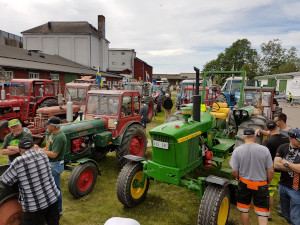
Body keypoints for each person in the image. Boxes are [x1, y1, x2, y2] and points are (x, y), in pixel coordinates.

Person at [2, 137, 60, 225]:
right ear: (33, 146)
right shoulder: (43, 155)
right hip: (53, 197)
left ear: (20, 150)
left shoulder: (18, 161)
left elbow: (6, 180)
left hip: (35, 205)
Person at [230, 128, 274, 225]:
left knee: (244, 209)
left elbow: (234, 170)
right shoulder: (265, 150)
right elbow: (271, 171)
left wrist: (238, 178)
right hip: (261, 184)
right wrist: (267, 182)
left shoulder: (237, 150)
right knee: (262, 213)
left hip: (244, 183)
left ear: (243, 137)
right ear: (255, 137)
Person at [38, 116, 66, 217]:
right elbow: (48, 147)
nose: (46, 126)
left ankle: (58, 211)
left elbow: (54, 154)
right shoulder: (52, 134)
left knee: (56, 189)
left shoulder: (59, 137)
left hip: (55, 164)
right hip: (50, 163)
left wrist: (41, 151)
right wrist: (42, 149)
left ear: (53, 126)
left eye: (48, 125)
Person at [262, 120, 290, 219]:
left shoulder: (267, 141)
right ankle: (284, 210)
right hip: (286, 170)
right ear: (276, 127)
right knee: (285, 191)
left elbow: (263, 157)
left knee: (270, 192)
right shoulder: (287, 139)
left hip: (273, 170)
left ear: (267, 129)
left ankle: (267, 213)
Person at [274, 128, 300, 225]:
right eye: (298, 139)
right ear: (291, 139)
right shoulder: (283, 147)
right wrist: (294, 167)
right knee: (286, 214)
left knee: (296, 217)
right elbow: (276, 165)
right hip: (283, 186)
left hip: (296, 189)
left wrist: (286, 163)